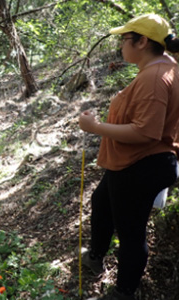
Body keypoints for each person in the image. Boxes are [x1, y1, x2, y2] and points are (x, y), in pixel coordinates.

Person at [79, 14, 179, 300]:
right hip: (134, 162)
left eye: (124, 39)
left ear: (143, 41)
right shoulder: (166, 66)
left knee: (131, 232)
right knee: (102, 202)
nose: (121, 45)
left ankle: (124, 292)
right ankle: (95, 257)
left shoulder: (154, 77)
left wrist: (94, 127)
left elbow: (146, 132)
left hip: (141, 164)